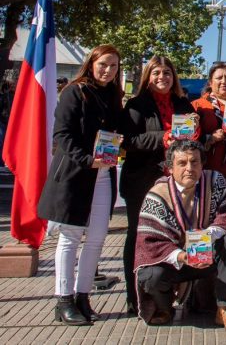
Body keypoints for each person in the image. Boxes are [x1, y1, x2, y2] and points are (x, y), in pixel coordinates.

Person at [38, 45, 124, 326]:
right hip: (76, 174)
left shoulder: (113, 95)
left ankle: (83, 296)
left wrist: (118, 146)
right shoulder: (75, 91)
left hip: (103, 175)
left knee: (97, 238)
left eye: (113, 66)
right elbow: (63, 135)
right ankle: (63, 300)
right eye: (103, 64)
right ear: (91, 63)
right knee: (70, 237)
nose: (108, 70)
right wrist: (88, 161)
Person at [134, 141, 226, 332]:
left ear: (202, 164)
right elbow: (150, 243)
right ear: (170, 168)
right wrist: (182, 255)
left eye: (195, 162)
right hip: (177, 262)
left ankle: (225, 308)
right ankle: (164, 307)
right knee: (149, 275)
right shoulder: (157, 195)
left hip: (209, 258)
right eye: (182, 163)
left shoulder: (215, 181)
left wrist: (206, 237)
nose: (189, 168)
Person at [120, 55, 197, 315]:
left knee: (176, 236)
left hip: (176, 184)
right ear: (147, 77)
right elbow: (128, 140)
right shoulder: (136, 104)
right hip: (142, 180)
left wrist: (195, 134)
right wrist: (163, 138)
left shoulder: (183, 103)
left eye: (167, 73)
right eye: (156, 73)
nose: (162, 78)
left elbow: (195, 138)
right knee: (138, 237)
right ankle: (135, 297)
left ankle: (169, 293)